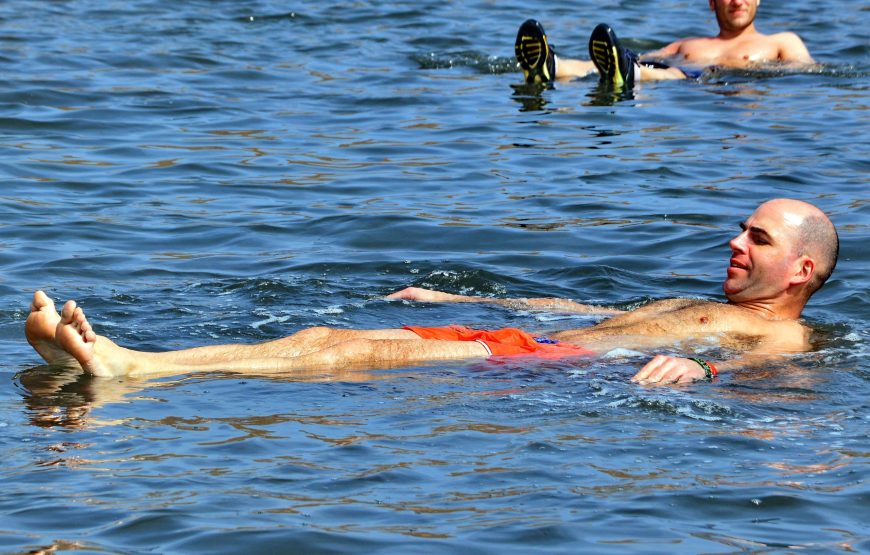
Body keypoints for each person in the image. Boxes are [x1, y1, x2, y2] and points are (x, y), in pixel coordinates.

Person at [25, 199, 837, 385]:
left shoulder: (781, 335)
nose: (735, 241)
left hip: (548, 372)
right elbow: (597, 316)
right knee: (319, 335)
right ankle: (125, 364)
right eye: (741, 229)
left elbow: (777, 385)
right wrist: (475, 306)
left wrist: (705, 373)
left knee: (354, 352)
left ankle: (131, 368)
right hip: (531, 342)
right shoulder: (719, 307)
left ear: (801, 271)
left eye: (757, 239)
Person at [515, 0, 815, 88]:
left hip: (705, 83)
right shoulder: (687, 43)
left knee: (669, 74)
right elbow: (641, 57)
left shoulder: (781, 41)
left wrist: (746, 68)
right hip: (670, 72)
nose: (737, 1)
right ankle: (554, 66)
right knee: (627, 64)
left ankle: (631, 75)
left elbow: (807, 74)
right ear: (712, 3)